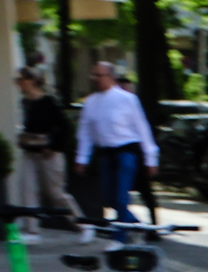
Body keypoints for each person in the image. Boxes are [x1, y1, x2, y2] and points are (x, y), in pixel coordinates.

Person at [71, 60, 157, 224]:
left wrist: (150, 158)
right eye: (93, 75)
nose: (95, 79)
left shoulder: (128, 99)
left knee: (121, 197)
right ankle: (136, 225)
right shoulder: (90, 102)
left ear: (110, 77)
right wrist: (82, 158)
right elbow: (85, 133)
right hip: (106, 153)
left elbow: (143, 130)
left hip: (126, 152)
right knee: (108, 198)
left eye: (99, 75)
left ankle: (120, 238)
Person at [14, 68, 76, 227]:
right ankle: (32, 230)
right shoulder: (24, 103)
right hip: (30, 152)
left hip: (47, 153)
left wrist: (53, 146)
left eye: (21, 80)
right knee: (27, 188)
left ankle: (82, 223)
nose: (19, 84)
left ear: (31, 81)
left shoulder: (47, 102)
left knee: (56, 193)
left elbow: (64, 126)